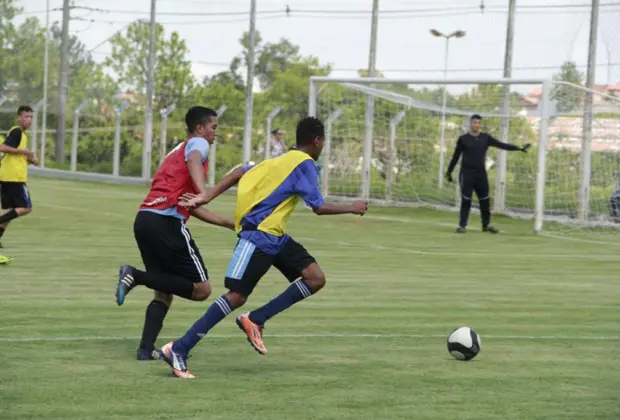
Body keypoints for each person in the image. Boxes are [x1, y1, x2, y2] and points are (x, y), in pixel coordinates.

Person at [159, 116, 368, 379]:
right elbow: (318, 207)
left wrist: (206, 196)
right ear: (317, 141)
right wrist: (352, 207)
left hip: (276, 237)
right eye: (323, 142)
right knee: (236, 296)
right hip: (257, 237)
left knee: (315, 278)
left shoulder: (279, 160)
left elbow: (239, 172)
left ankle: (255, 319)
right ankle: (178, 348)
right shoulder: (305, 164)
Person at [114, 106, 235, 361]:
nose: (216, 133)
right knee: (201, 290)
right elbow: (194, 164)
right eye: (213, 127)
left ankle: (145, 350)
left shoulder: (176, 152)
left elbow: (189, 204)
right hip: (166, 224)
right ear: (200, 128)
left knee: (163, 291)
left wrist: (225, 222)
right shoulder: (198, 145)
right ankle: (135, 275)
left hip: (144, 220)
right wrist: (204, 190)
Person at [446, 114, 530, 234]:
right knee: (466, 200)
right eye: (474, 122)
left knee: (484, 200)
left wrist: (519, 148)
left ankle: (486, 225)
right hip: (467, 174)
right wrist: (449, 172)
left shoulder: (485, 138)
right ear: (470, 123)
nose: (476, 125)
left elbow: (502, 145)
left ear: (481, 124)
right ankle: (462, 225)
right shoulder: (463, 139)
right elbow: (455, 156)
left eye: (479, 123)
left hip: (481, 174)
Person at [0, 105, 38, 249]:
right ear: (19, 118)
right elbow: (2, 148)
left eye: (31, 117)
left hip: (7, 176)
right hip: (14, 178)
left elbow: (15, 154)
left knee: (11, 211)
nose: (29, 120)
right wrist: (24, 152)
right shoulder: (17, 132)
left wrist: (30, 158)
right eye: (26, 117)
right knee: (26, 208)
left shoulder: (22, 135)